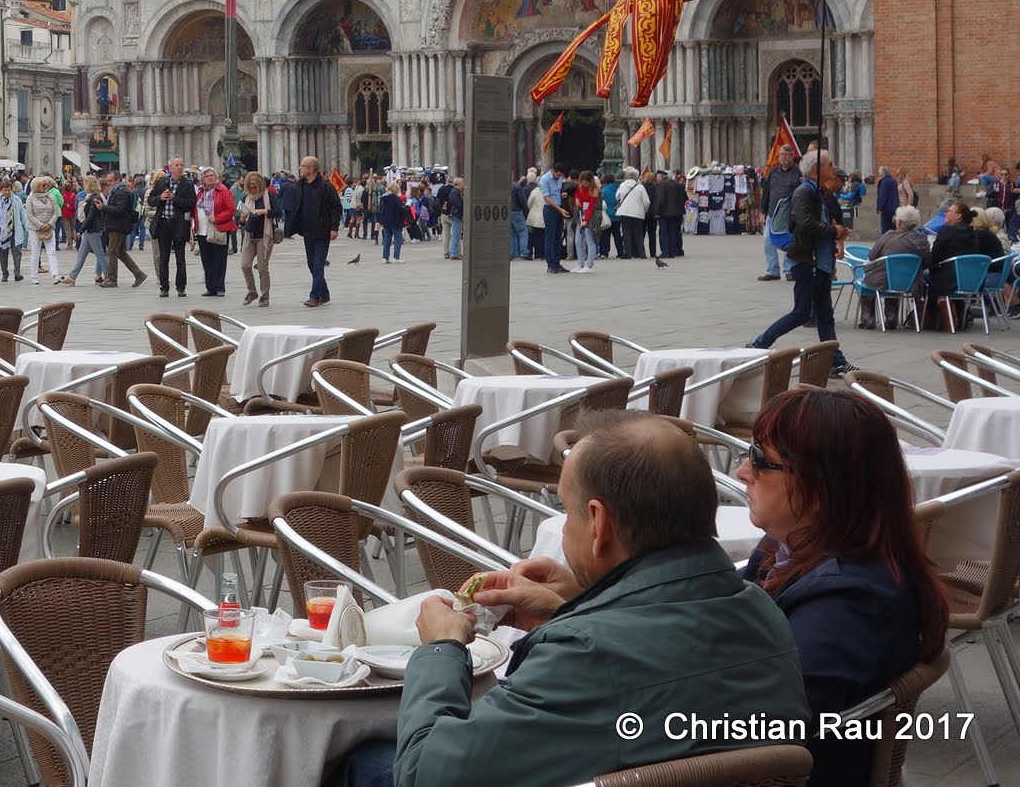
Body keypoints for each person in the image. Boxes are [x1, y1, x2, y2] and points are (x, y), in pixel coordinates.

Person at [331, 413, 807, 787]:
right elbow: (659, 666)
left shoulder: (585, 655)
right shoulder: (759, 608)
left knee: (363, 763)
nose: (566, 524)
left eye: (567, 509)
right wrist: (579, 606)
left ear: (598, 523)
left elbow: (426, 775)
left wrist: (442, 649)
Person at [734, 389, 949, 786]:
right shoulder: (785, 548)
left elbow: (767, 727)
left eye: (761, 461)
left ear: (823, 484)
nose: (743, 471)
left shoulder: (847, 601)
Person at [749, 148, 853, 376]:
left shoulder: (819, 192)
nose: (833, 168)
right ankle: (759, 344)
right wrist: (832, 231)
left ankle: (836, 361)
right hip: (808, 262)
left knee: (825, 315)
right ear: (816, 169)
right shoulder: (804, 192)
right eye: (829, 164)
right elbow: (804, 224)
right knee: (802, 313)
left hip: (820, 263)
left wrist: (835, 234)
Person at [294, 157, 344, 308]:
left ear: (311, 169)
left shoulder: (326, 186)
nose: (299, 168)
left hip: (322, 231)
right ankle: (325, 294)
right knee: (311, 264)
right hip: (308, 231)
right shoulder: (301, 185)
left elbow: (336, 207)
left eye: (303, 166)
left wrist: (334, 228)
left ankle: (314, 296)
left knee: (318, 264)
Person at [147, 158, 197, 299]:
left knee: (180, 257)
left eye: (181, 165)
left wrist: (174, 198)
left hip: (179, 223)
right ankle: (164, 288)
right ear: (170, 168)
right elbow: (150, 200)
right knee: (164, 258)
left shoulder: (187, 184)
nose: (180, 167)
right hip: (163, 223)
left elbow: (190, 203)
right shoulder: (162, 183)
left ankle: (181, 287)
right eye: (177, 165)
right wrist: (160, 198)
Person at [192, 167, 237, 297]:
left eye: (212, 175)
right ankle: (210, 287)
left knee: (219, 259)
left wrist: (217, 218)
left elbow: (231, 209)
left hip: (219, 228)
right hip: (202, 230)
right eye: (207, 176)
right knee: (206, 260)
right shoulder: (200, 193)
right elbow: (195, 209)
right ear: (202, 180)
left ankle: (219, 287)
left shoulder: (223, 190)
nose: (210, 177)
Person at [759, 143, 801, 280]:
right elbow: (767, 192)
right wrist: (762, 210)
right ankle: (772, 271)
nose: (783, 157)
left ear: (792, 156)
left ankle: (789, 270)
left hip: (789, 214)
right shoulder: (773, 171)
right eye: (781, 154)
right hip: (772, 212)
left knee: (789, 242)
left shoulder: (798, 172)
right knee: (768, 241)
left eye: (786, 155)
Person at [57, 176, 108, 286]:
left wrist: (81, 230)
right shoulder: (90, 197)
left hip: (93, 230)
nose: (83, 186)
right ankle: (72, 277)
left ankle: (109, 277)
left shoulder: (94, 198)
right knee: (81, 254)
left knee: (100, 255)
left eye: (85, 184)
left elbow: (90, 217)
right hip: (90, 231)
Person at [101, 173, 147, 290]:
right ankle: (139, 274)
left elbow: (120, 210)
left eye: (110, 181)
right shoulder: (117, 191)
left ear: (117, 180)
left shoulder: (121, 192)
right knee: (121, 252)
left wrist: (103, 208)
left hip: (118, 226)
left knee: (112, 252)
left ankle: (112, 279)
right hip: (118, 225)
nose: (108, 183)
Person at [237, 171, 274, 306]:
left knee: (262, 268)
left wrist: (264, 211)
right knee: (245, 265)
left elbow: (278, 211)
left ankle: (265, 296)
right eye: (250, 188)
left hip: (264, 236)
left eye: (255, 187)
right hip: (249, 236)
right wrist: (242, 218)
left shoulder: (268, 196)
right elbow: (240, 222)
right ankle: (252, 291)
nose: (253, 190)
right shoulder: (245, 198)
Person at [0, 176, 26, 285]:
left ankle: (17, 273)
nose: (7, 192)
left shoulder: (16, 200)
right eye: (5, 190)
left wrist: (27, 227)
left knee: (16, 252)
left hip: (15, 229)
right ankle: (5, 273)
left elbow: (22, 214)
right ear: (1, 190)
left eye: (8, 190)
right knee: (3, 253)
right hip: (2, 231)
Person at [23, 175, 61, 285]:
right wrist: (40, 225)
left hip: (49, 227)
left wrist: (50, 224)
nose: (46, 186)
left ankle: (56, 275)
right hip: (35, 229)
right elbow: (29, 214)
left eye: (46, 185)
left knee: (52, 251)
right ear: (37, 186)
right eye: (43, 185)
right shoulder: (30, 198)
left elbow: (55, 212)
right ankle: (34, 276)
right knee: (35, 253)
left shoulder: (50, 197)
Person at [539, 161, 568, 274]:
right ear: (553, 171)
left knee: (558, 237)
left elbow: (558, 192)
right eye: (558, 175)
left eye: (561, 176)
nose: (559, 177)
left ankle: (557, 263)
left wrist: (563, 195)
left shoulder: (560, 178)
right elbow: (546, 197)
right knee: (550, 237)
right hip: (550, 209)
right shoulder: (545, 179)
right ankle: (550, 264)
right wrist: (559, 209)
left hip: (559, 208)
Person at [652, 168, 689, 257]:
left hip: (664, 213)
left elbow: (660, 199)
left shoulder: (662, 185)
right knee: (672, 232)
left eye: (657, 176)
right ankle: (672, 251)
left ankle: (665, 252)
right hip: (674, 212)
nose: (656, 178)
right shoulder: (674, 184)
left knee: (664, 233)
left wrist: (656, 211)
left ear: (661, 176)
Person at [573, 170, 599, 272]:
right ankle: (580, 263)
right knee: (578, 241)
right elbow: (576, 195)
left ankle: (589, 265)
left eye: (585, 182)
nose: (583, 184)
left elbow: (591, 207)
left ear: (589, 182)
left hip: (590, 216)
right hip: (581, 214)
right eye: (582, 182)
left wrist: (586, 220)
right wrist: (576, 199)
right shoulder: (580, 187)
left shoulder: (594, 190)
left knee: (589, 240)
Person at [376, 183, 408, 264]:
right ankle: (396, 257)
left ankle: (385, 257)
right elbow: (401, 209)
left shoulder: (383, 198)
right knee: (398, 238)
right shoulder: (395, 198)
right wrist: (406, 208)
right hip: (395, 221)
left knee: (387, 239)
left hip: (386, 221)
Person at [441, 176, 465, 261]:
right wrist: (464, 211)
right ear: (458, 184)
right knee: (455, 235)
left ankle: (453, 252)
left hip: (454, 215)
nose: (464, 184)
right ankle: (454, 253)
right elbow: (458, 204)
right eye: (463, 183)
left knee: (453, 234)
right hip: (456, 215)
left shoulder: (457, 192)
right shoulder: (455, 192)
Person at [875, 165, 899, 239]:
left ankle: (886, 243)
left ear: (882, 174)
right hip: (894, 207)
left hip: (886, 208)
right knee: (892, 228)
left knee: (885, 229)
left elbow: (883, 196)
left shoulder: (884, 182)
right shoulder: (893, 181)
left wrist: (880, 207)